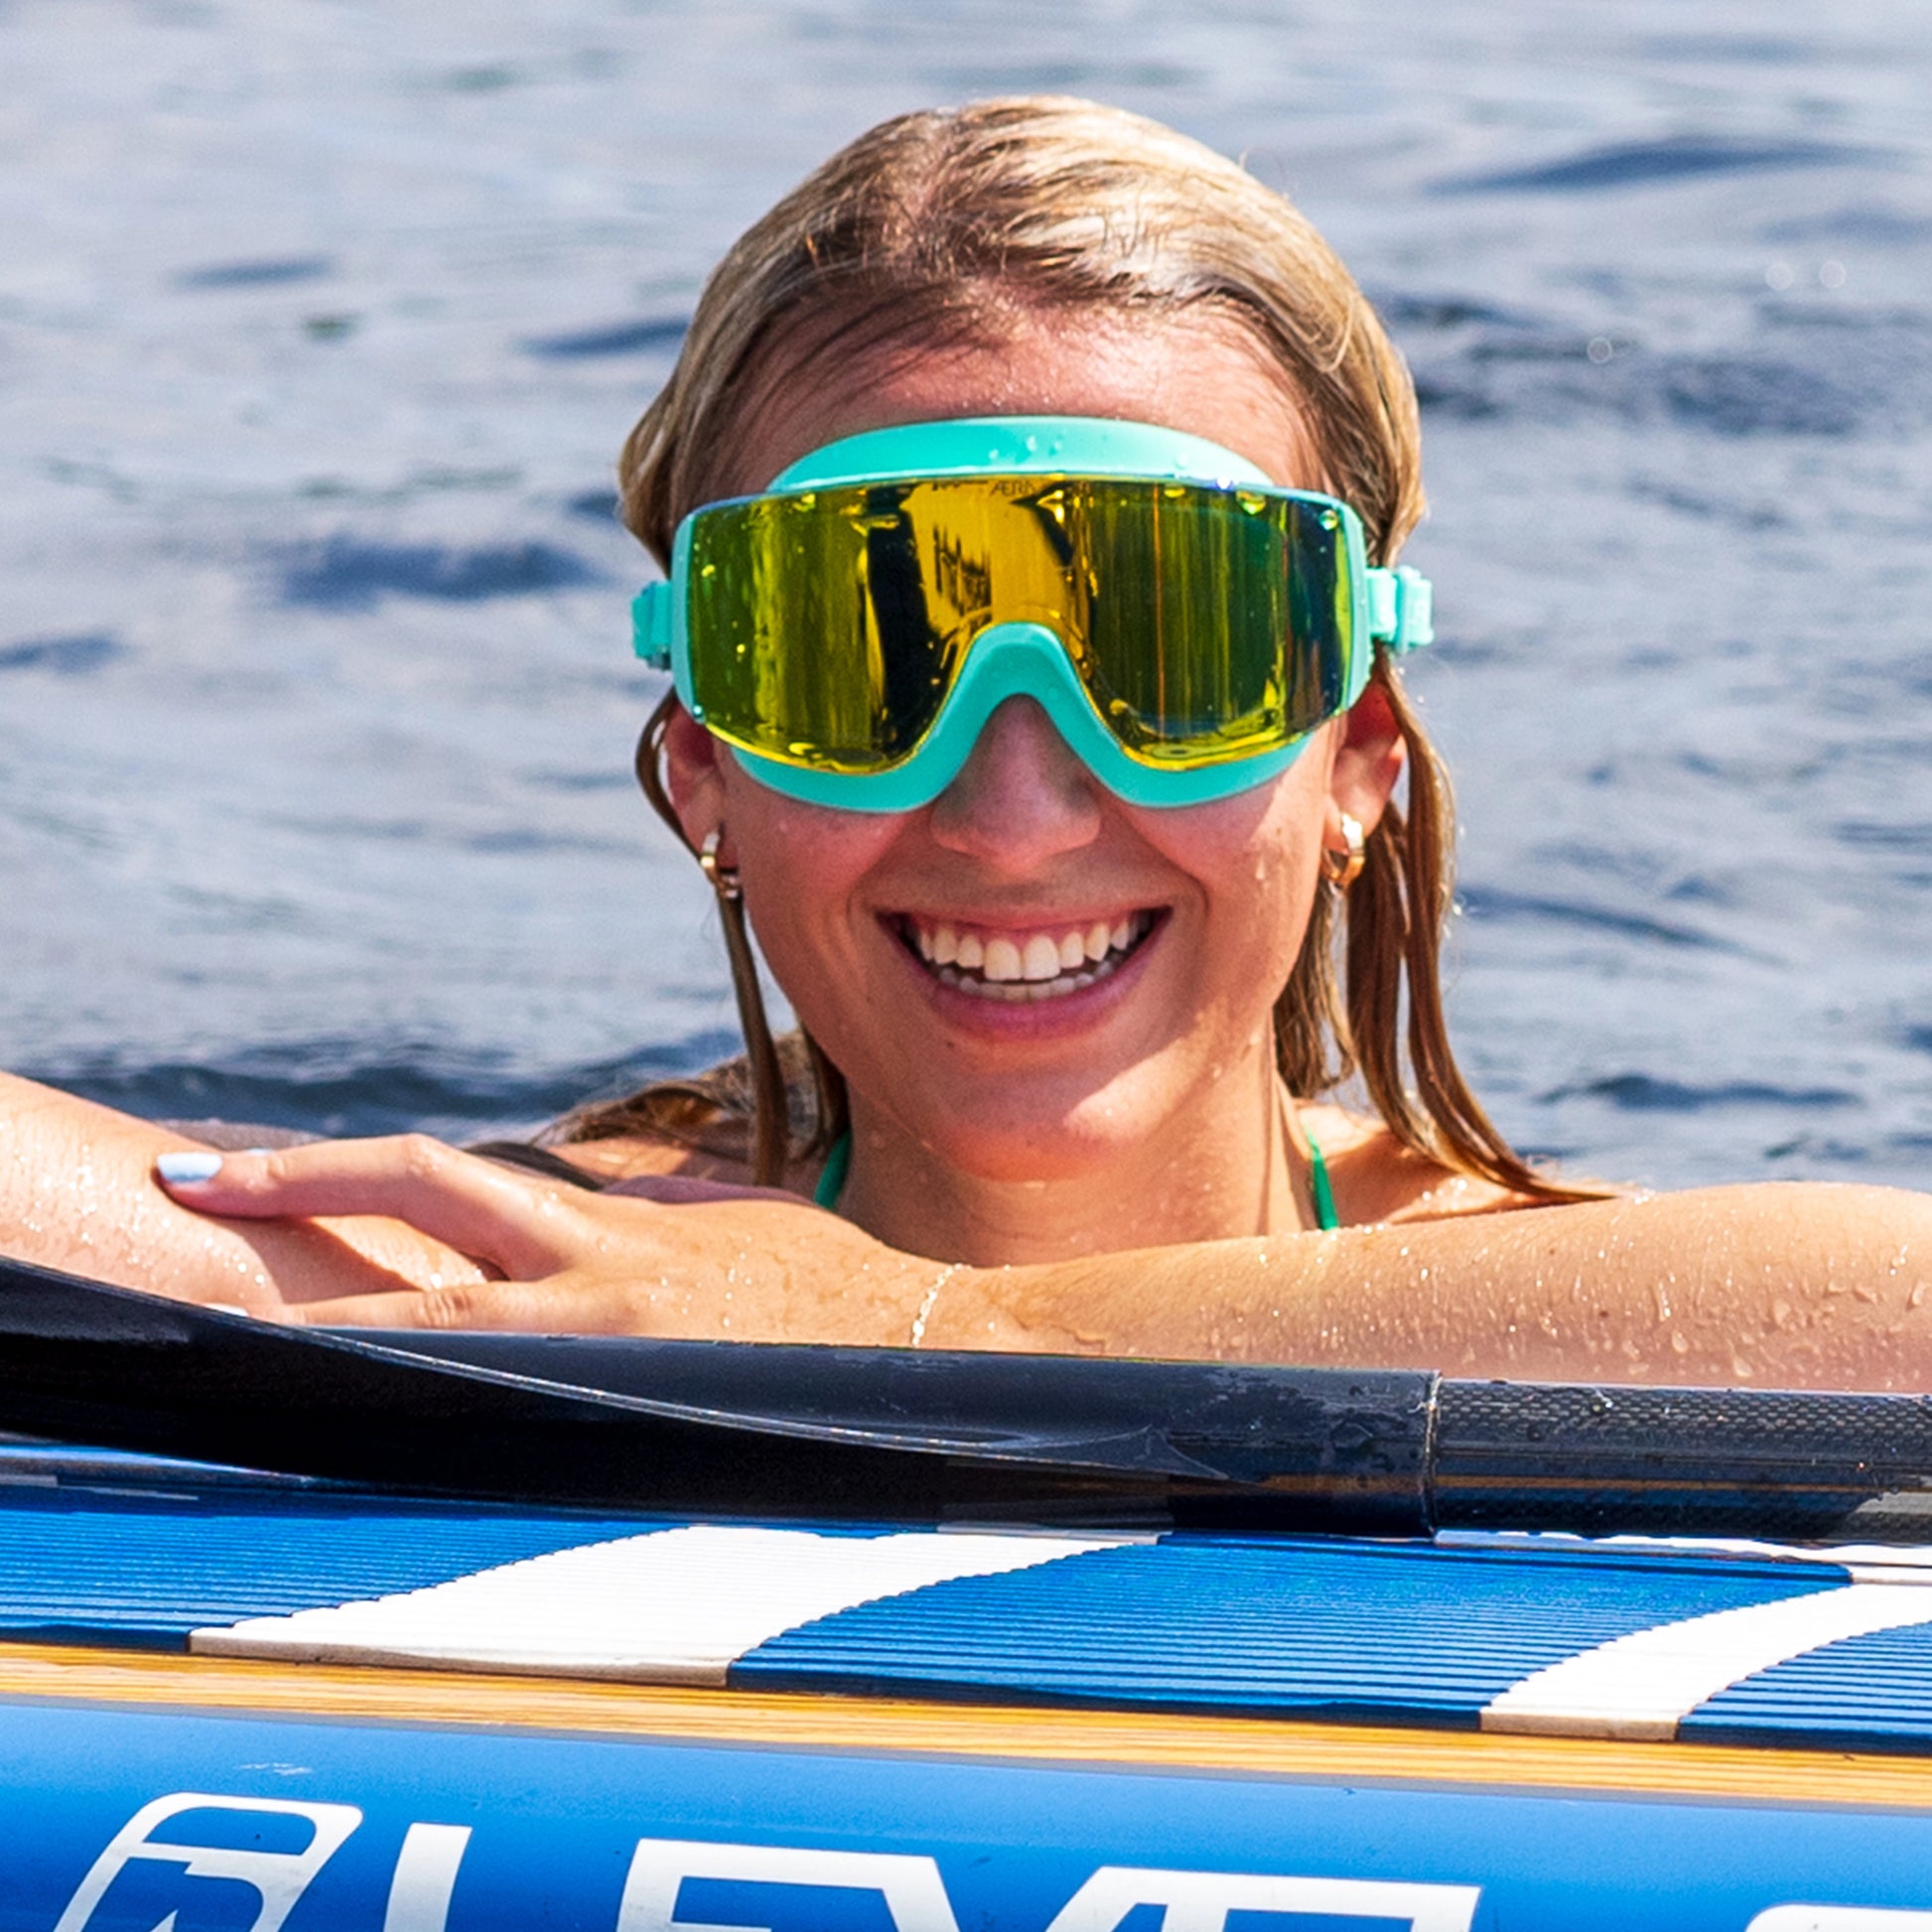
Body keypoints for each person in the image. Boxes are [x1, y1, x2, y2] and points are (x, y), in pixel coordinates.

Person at [3, 96, 1928, 1389]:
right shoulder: (572, 1271)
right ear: (704, 778)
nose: (1016, 808)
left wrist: (938, 1325)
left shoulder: (1604, 1301)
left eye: (1169, 643)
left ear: (1358, 752)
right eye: (865, 658)